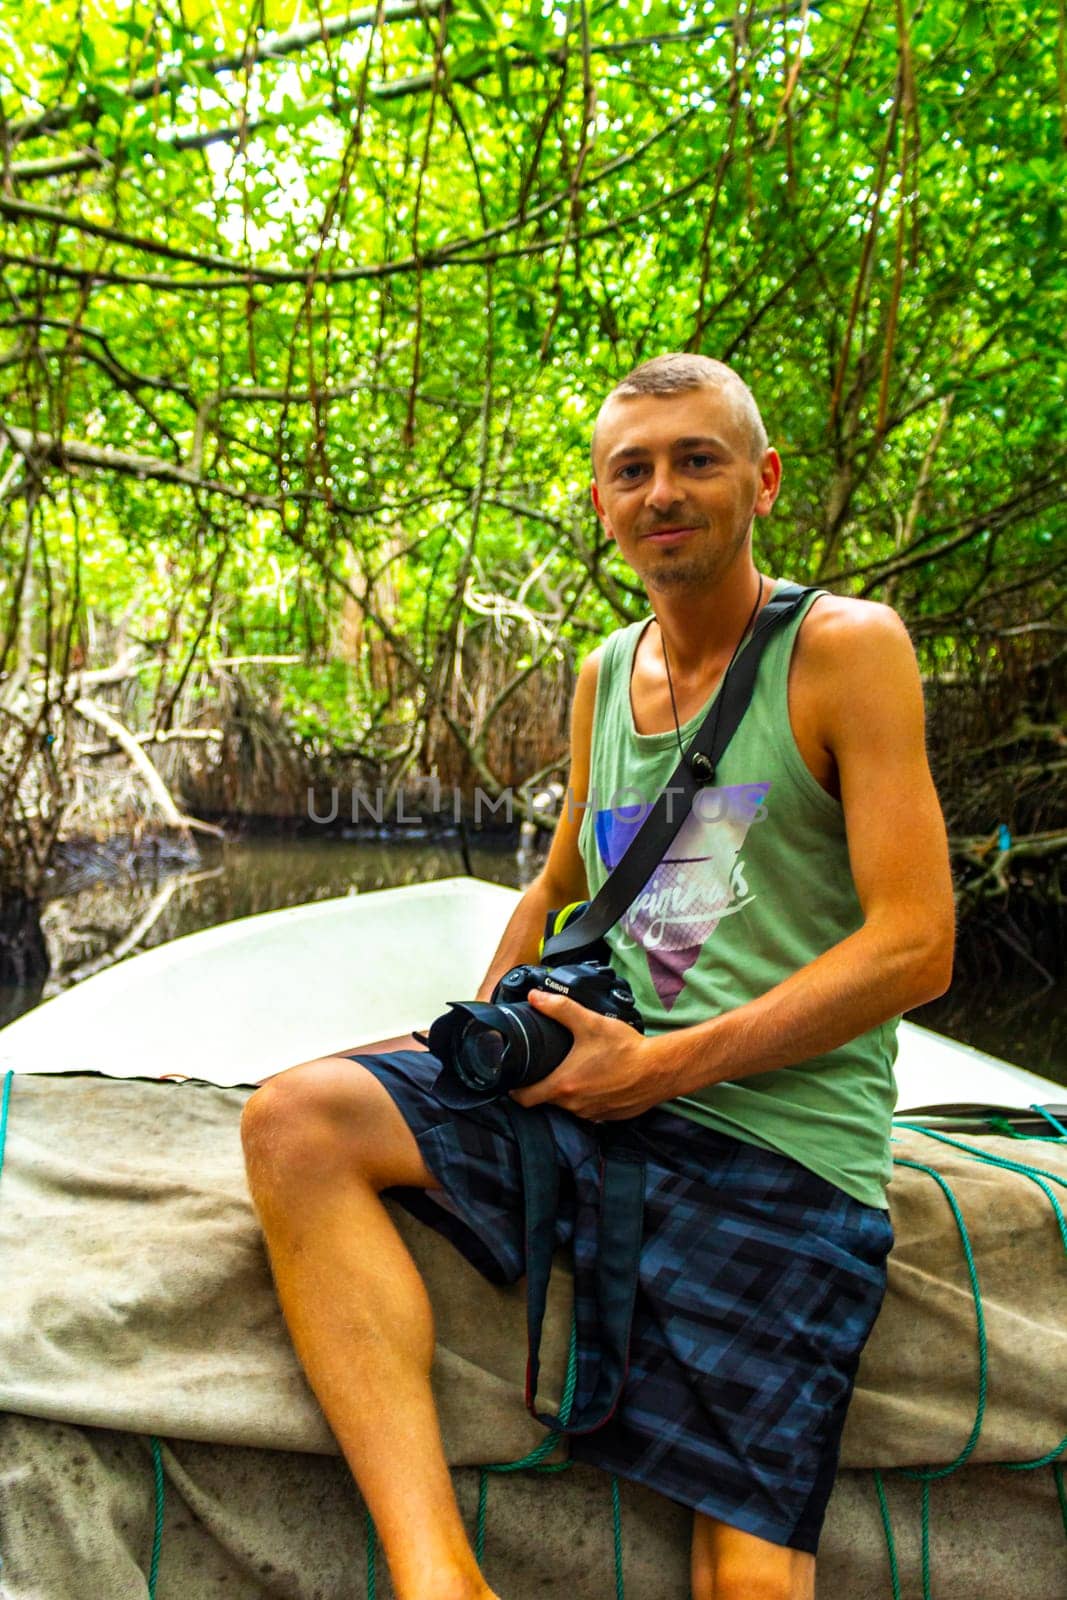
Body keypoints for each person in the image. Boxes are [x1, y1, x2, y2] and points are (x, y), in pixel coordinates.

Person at [241, 353, 956, 1600]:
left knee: (745, 1579)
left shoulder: (843, 649)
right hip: (600, 1101)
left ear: (761, 481)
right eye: (633, 470)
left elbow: (916, 944)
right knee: (297, 1120)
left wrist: (662, 1067)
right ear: (600, 503)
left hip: (778, 1145)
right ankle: (437, 1579)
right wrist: (472, 1034)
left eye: (696, 460)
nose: (662, 491)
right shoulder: (599, 675)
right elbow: (563, 882)